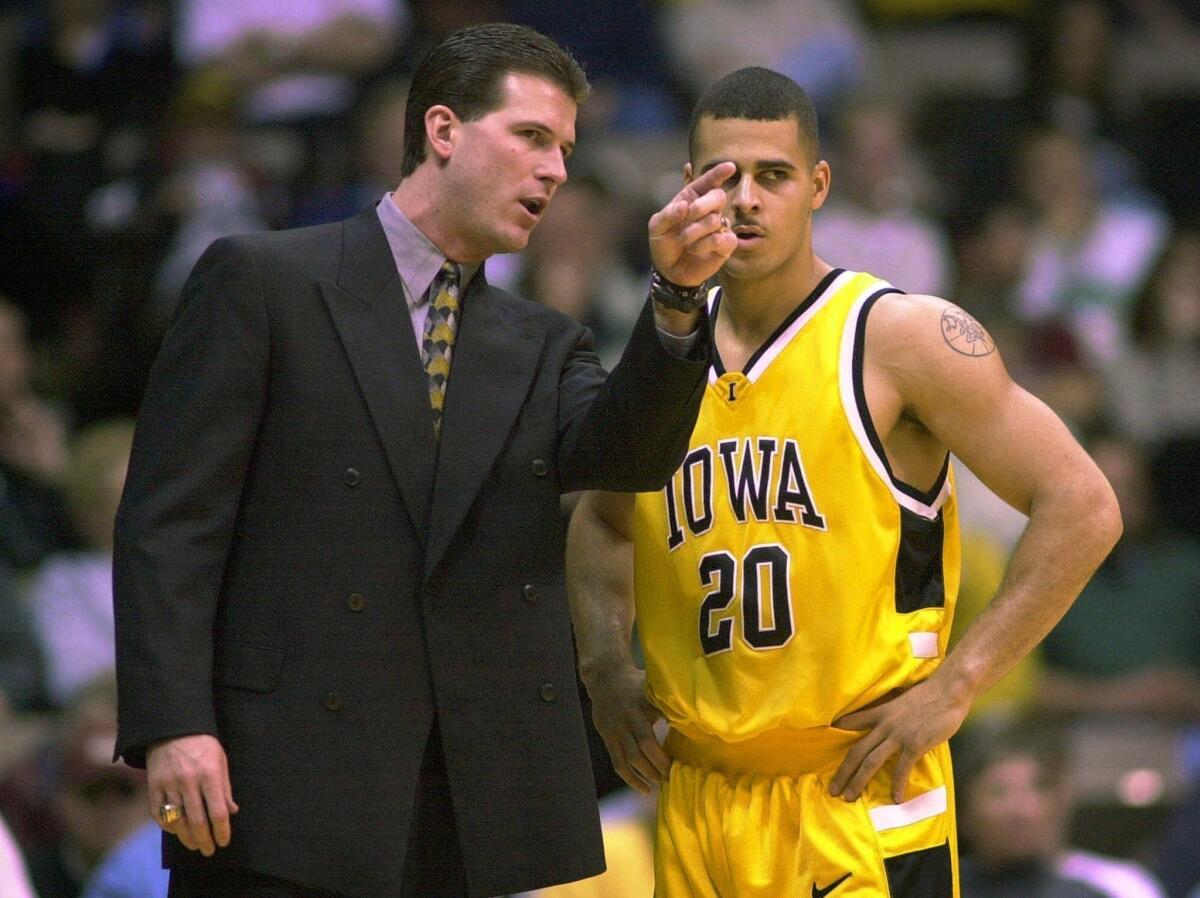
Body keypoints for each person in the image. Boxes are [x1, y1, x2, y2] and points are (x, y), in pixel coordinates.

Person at [113, 22, 738, 898]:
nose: (556, 170)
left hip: (464, 798)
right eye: (531, 137)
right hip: (278, 785)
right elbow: (169, 526)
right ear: (443, 132)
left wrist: (674, 298)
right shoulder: (262, 279)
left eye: (564, 148)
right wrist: (175, 724)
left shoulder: (544, 341)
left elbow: (626, 456)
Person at [567, 67, 1121, 898]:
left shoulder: (900, 336)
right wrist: (604, 667)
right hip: (700, 797)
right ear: (688, 190)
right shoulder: (660, 361)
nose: (746, 199)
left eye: (774, 175)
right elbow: (604, 523)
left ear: (818, 185)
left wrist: (960, 684)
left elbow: (1084, 506)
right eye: (724, 177)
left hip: (857, 791)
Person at [957, 720, 1166, 898]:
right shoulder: (937, 888)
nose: (1021, 810)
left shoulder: (1097, 891)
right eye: (999, 792)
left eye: (1036, 789)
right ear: (963, 812)